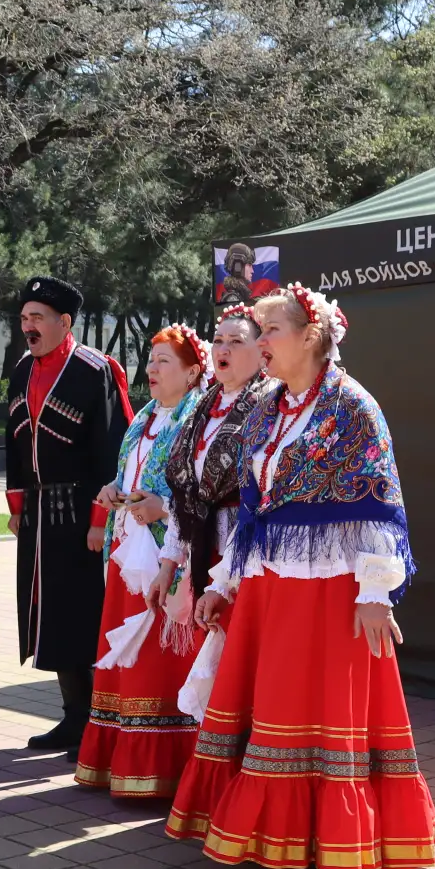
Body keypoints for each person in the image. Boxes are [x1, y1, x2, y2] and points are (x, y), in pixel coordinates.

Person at [166, 285, 435, 869]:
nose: (261, 342)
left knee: (325, 715)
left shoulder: (352, 406)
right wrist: (225, 583)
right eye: (259, 331)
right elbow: (252, 511)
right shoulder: (269, 408)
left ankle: (344, 858)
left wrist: (375, 592)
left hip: (330, 593)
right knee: (277, 712)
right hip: (270, 587)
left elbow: (377, 503)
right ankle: (282, 841)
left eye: (271, 331)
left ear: (311, 336)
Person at [74, 326, 210, 798]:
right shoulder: (144, 418)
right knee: (125, 658)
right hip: (128, 555)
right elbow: (130, 475)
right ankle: (118, 760)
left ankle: (161, 768)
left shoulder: (198, 422)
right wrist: (115, 490)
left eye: (163, 361)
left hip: (166, 559)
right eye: (150, 360)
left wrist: (164, 507)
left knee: (156, 662)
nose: (151, 369)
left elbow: (208, 496)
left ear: (192, 373)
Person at [6, 275, 133, 752]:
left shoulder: (95, 370)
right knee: (49, 615)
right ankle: (73, 715)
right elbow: (16, 447)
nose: (29, 326)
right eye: (24, 318)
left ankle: (97, 721)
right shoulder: (22, 370)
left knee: (83, 615)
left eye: (38, 318)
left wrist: (100, 520)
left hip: (82, 515)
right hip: (38, 516)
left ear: (64, 322)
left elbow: (112, 450)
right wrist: (17, 506)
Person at [152, 305, 275, 724]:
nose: (223, 349)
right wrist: (168, 565)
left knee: (240, 667)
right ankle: (212, 756)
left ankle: (242, 757)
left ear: (262, 351)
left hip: (247, 559)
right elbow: (184, 496)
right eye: (218, 340)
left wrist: (227, 578)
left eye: (236, 341)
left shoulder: (269, 405)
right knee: (213, 670)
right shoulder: (203, 407)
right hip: (205, 552)